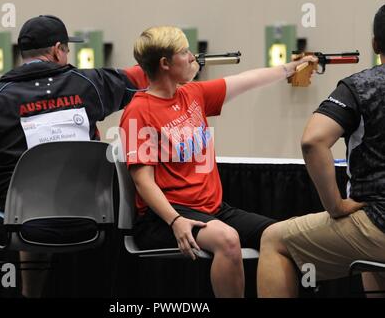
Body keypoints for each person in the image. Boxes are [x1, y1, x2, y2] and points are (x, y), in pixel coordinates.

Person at [0, 14, 147, 298]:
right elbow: (148, 73)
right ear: (58, 49)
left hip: (8, 224)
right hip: (87, 220)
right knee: (35, 202)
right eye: (67, 50)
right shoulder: (92, 84)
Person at [119, 25, 316, 298]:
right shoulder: (138, 111)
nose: (192, 57)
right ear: (165, 63)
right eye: (184, 52)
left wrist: (290, 68)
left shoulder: (193, 94)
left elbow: (247, 80)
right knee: (228, 240)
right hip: (162, 218)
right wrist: (175, 220)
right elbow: (143, 181)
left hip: (213, 210)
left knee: (282, 236)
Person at [257, 5, 385, 298]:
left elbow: (313, 141)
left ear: (375, 44)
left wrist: (336, 206)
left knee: (274, 241)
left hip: (378, 222)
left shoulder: (360, 87)